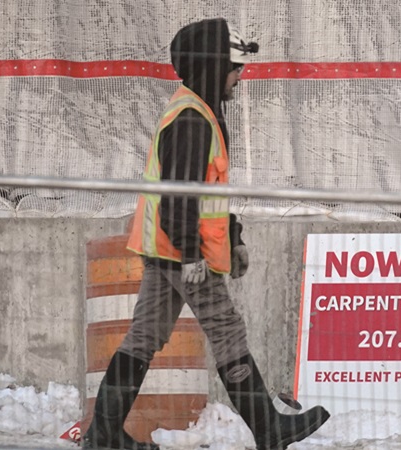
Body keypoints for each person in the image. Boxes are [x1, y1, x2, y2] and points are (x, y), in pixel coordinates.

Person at [82, 18, 330, 450]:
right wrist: (193, 255)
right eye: (235, 67)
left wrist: (233, 236)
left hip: (167, 250)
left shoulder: (200, 111)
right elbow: (180, 197)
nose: (240, 76)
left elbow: (209, 189)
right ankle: (269, 432)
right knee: (227, 331)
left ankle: (103, 437)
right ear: (213, 67)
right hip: (184, 255)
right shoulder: (192, 120)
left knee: (143, 337)